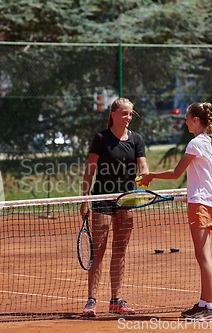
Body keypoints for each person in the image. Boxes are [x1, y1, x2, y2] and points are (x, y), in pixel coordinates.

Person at [138, 102, 212, 321]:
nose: (184, 122)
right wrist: (200, 187)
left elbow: (177, 173)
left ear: (196, 120)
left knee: (204, 257)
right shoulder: (210, 143)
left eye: (187, 118)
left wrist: (151, 176)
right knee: (201, 255)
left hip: (201, 204)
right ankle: (204, 303)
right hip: (208, 202)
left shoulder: (196, 143)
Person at [80, 97, 149, 317]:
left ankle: (115, 300)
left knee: (119, 251)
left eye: (130, 114)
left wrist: (146, 178)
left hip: (127, 200)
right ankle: (91, 300)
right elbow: (90, 170)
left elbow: (143, 167)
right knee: (98, 251)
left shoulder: (136, 139)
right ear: (113, 114)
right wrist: (84, 199)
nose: (128, 117)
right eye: (124, 113)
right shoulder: (101, 138)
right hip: (102, 198)